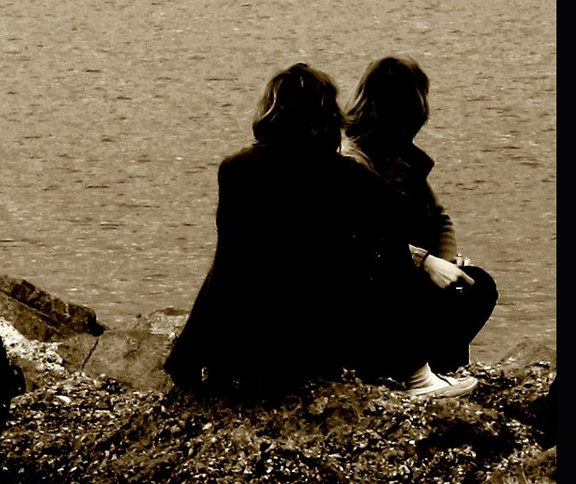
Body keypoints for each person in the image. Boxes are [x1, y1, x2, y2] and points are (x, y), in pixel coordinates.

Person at [165, 63, 410, 397]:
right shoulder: (347, 176)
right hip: (315, 350)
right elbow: (397, 222)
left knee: (236, 257)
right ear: (327, 117)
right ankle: (416, 371)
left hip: (244, 351)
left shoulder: (236, 169)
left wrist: (188, 353)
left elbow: (226, 268)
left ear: (271, 111)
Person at [342, 55, 497, 395]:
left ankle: (440, 370)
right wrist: (425, 263)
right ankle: (415, 374)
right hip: (368, 291)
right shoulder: (351, 162)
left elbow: (440, 219)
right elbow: (364, 241)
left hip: (403, 275)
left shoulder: (399, 160)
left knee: (476, 285)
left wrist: (447, 262)